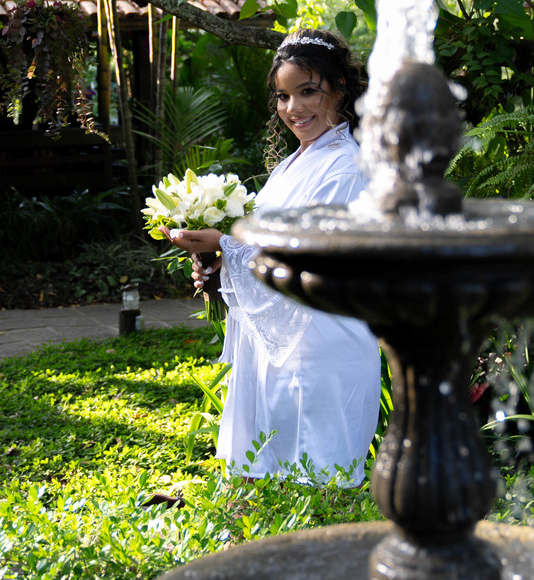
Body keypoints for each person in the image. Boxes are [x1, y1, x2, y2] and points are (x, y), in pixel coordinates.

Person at [163, 28, 381, 486]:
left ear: (340, 88)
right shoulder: (290, 165)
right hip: (278, 342)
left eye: (308, 92)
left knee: (320, 483)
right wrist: (220, 264)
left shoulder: (347, 165)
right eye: (283, 96)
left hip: (324, 342)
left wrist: (224, 244)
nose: (293, 108)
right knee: (269, 482)